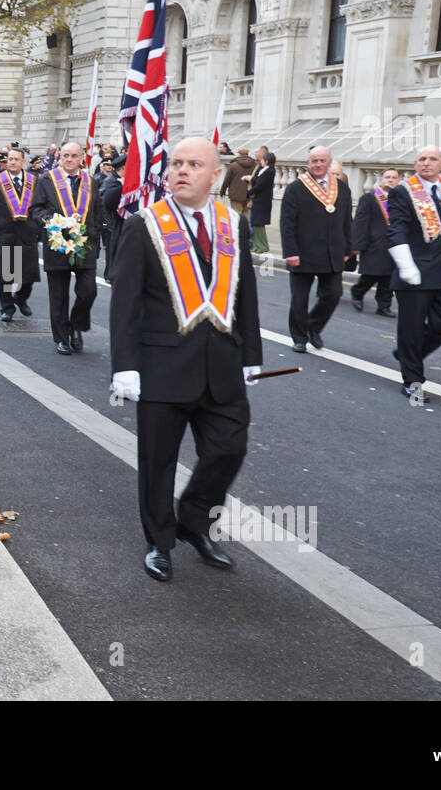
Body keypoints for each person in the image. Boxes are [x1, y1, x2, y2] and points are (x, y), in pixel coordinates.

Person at [109, 137, 262, 583]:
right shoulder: (145, 225)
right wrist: (125, 365)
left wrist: (252, 354)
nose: (181, 171)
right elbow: (126, 302)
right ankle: (159, 541)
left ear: (216, 175)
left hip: (223, 367)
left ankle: (194, 522)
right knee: (158, 462)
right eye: (176, 163)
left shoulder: (233, 224)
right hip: (161, 368)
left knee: (228, 449)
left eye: (194, 164)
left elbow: (244, 295)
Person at [386, 146, 441, 403]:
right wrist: (406, 265)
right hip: (416, 267)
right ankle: (412, 380)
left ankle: (408, 353)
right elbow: (396, 229)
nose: (426, 163)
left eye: (432, 159)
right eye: (421, 159)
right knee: (411, 327)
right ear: (415, 164)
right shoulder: (401, 191)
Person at [30, 141, 103, 354]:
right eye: (65, 156)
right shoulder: (47, 180)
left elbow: (97, 212)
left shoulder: (90, 181)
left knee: (88, 291)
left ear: (82, 158)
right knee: (59, 295)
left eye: (73, 156)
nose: (69, 160)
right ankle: (62, 337)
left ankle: (76, 326)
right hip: (57, 244)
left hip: (84, 245)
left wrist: (96, 238)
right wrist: (53, 222)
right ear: (59, 158)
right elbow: (36, 209)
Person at [280, 146, 352, 352]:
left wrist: (348, 247)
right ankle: (299, 337)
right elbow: (287, 223)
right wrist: (290, 251)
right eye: (314, 161)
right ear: (308, 163)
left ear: (329, 162)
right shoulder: (295, 188)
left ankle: (314, 326)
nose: (318, 164)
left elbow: (347, 220)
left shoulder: (341, 188)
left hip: (332, 253)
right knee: (299, 299)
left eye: (322, 161)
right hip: (302, 254)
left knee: (334, 294)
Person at [0, 147, 40, 321]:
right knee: (5, 275)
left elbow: (38, 208)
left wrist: (41, 235)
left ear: (23, 162)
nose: (12, 162)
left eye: (16, 159)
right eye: (10, 159)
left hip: (27, 234)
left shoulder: (34, 181)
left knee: (28, 275)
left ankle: (21, 298)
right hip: (4, 234)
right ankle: (7, 308)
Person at [349, 168, 400, 318]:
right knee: (371, 275)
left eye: (394, 177)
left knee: (389, 278)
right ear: (381, 179)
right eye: (387, 177)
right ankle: (357, 292)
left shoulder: (401, 199)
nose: (390, 180)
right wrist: (356, 245)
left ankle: (384, 306)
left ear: (398, 181)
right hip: (374, 244)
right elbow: (360, 222)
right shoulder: (369, 198)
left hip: (394, 244)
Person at [101, 154, 127, 282]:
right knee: (110, 248)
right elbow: (104, 202)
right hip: (110, 222)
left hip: (114, 223)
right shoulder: (111, 181)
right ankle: (109, 274)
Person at [246, 148, 276, 254]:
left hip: (263, 200)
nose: (261, 161)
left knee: (259, 223)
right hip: (258, 200)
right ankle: (257, 245)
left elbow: (260, 185)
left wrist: (248, 193)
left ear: (266, 161)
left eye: (263, 160)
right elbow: (257, 181)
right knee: (255, 223)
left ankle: (262, 246)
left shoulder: (269, 171)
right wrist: (250, 179)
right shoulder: (264, 170)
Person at [220, 146, 258, 218]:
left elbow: (227, 180)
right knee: (246, 215)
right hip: (249, 194)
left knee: (236, 216)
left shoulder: (233, 165)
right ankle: (245, 229)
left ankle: (238, 229)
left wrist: (222, 191)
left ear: (239, 154)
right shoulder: (254, 165)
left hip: (236, 195)